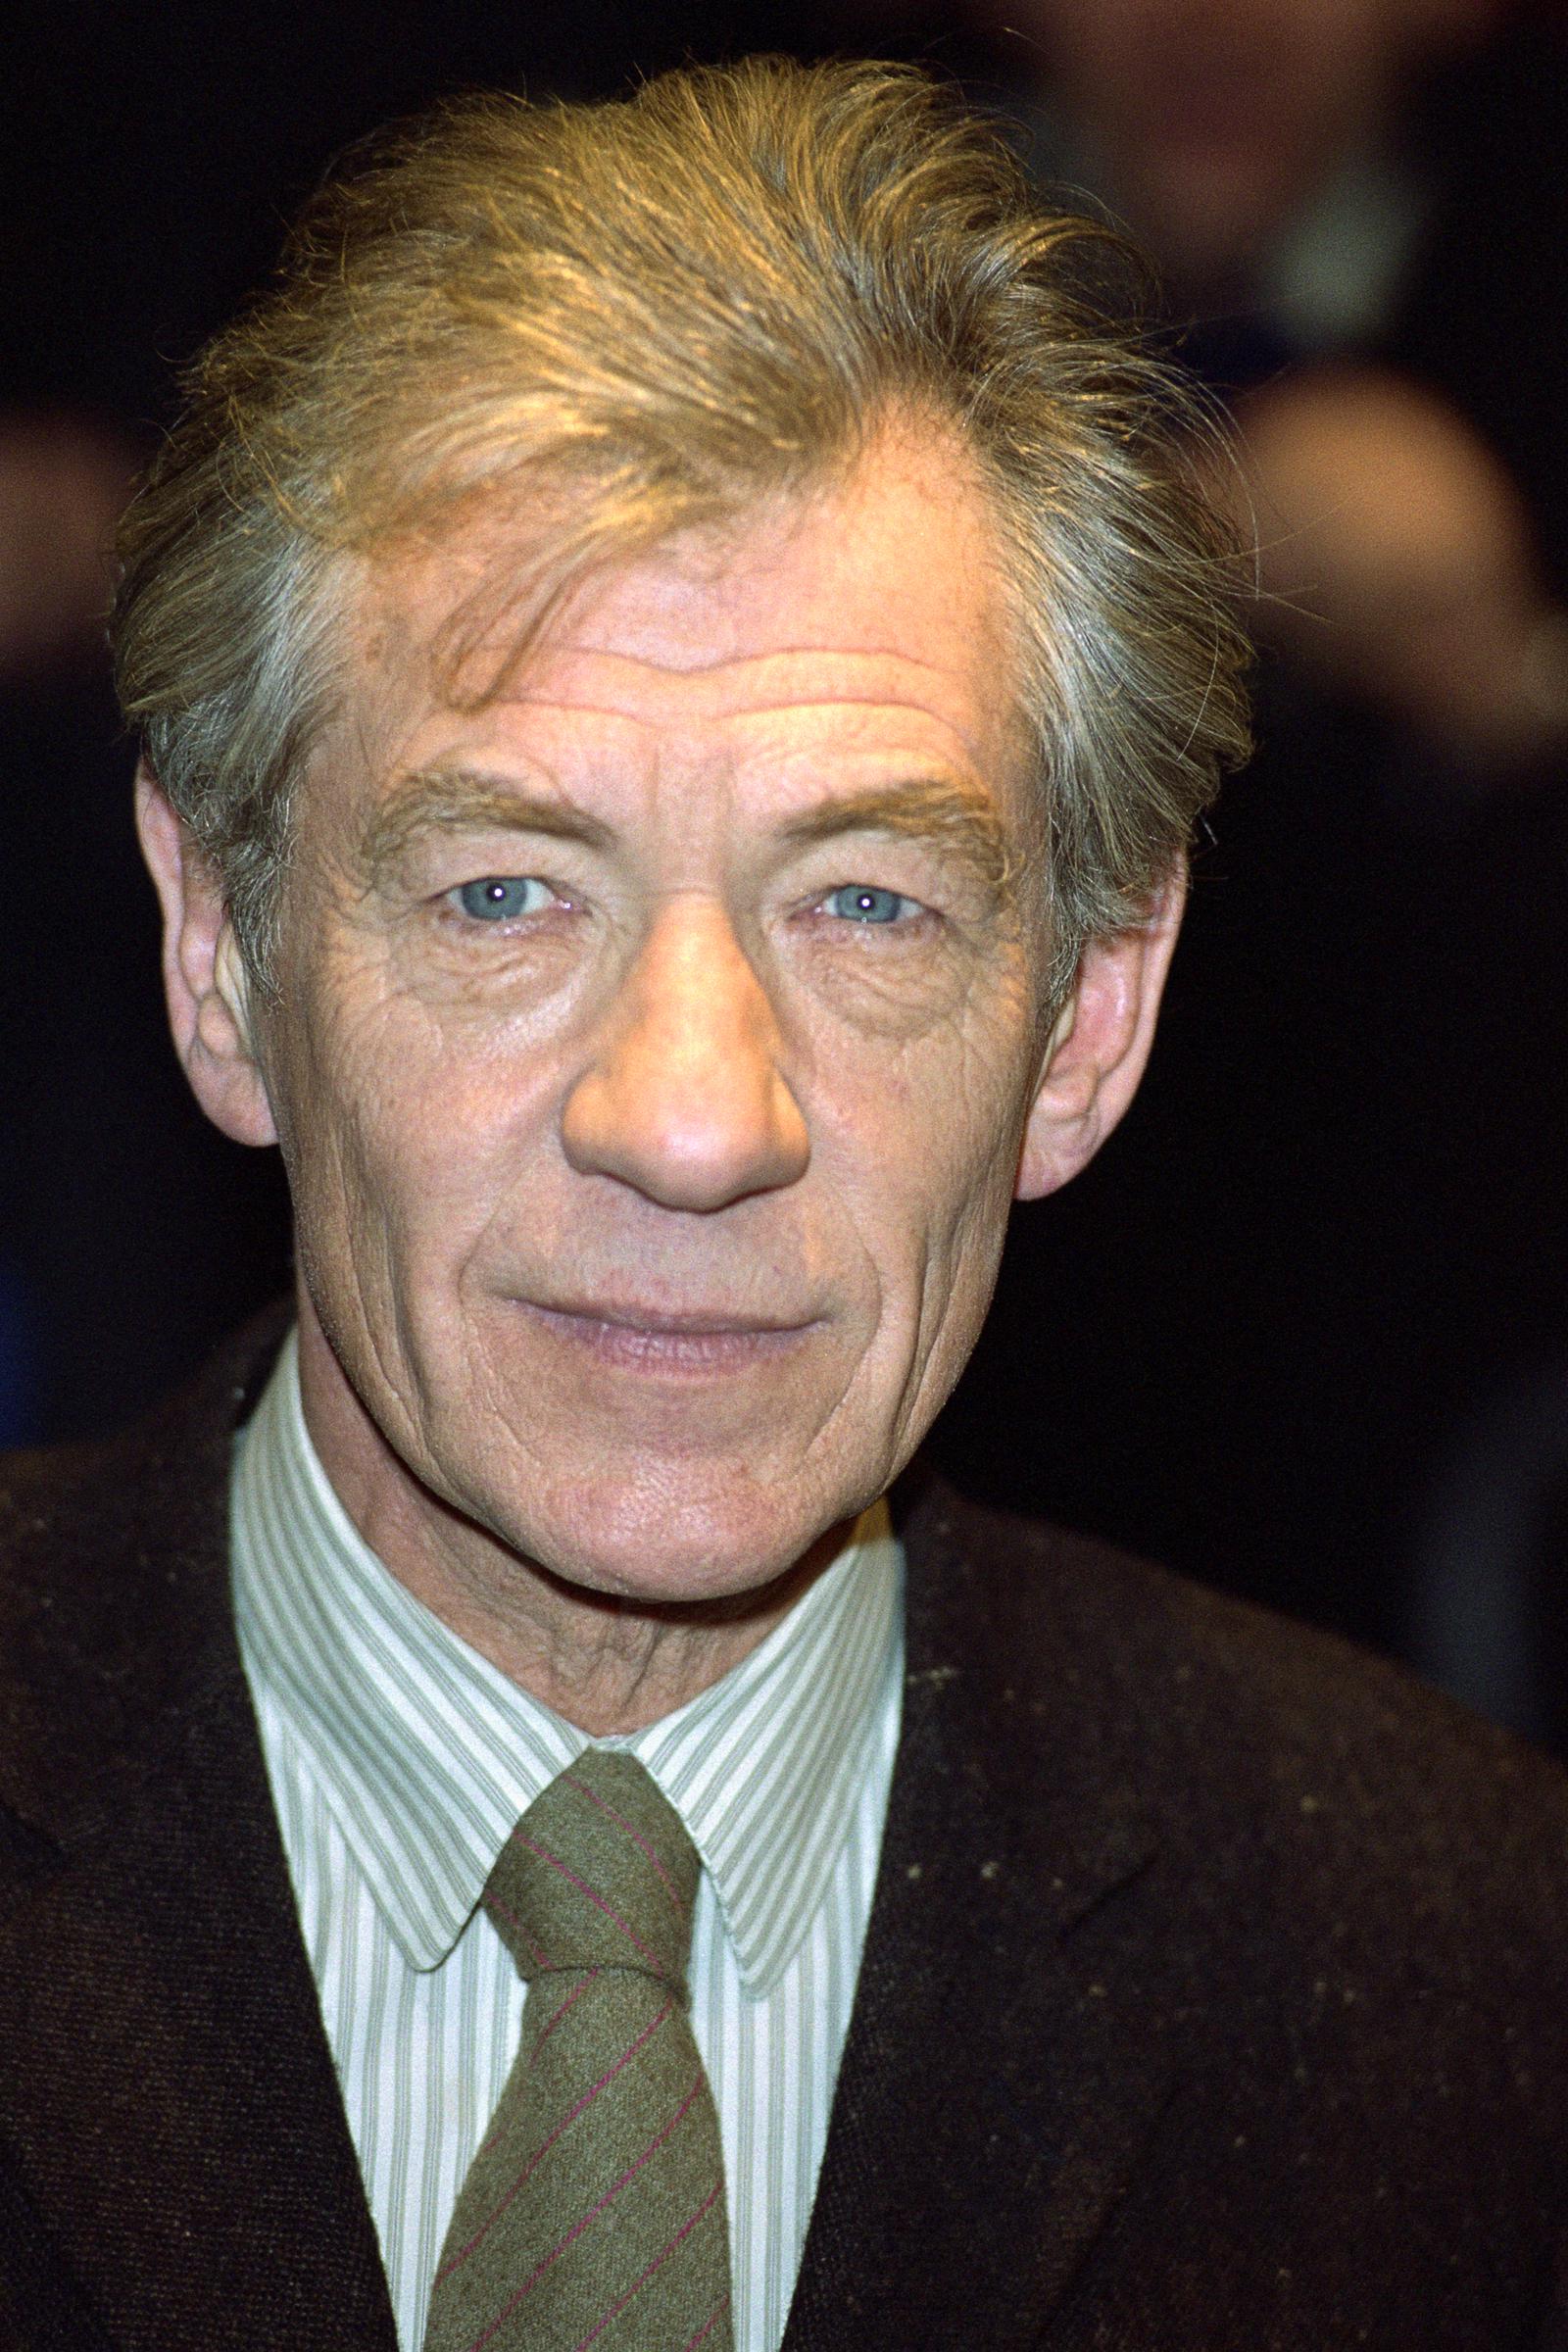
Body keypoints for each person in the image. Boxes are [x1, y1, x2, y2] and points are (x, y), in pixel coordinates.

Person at [1, 55, 1565, 2352]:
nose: (693, 1116)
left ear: (1089, 1017)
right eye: (509, 892)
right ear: (220, 956)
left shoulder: (1468, 1993)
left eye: (864, 907)